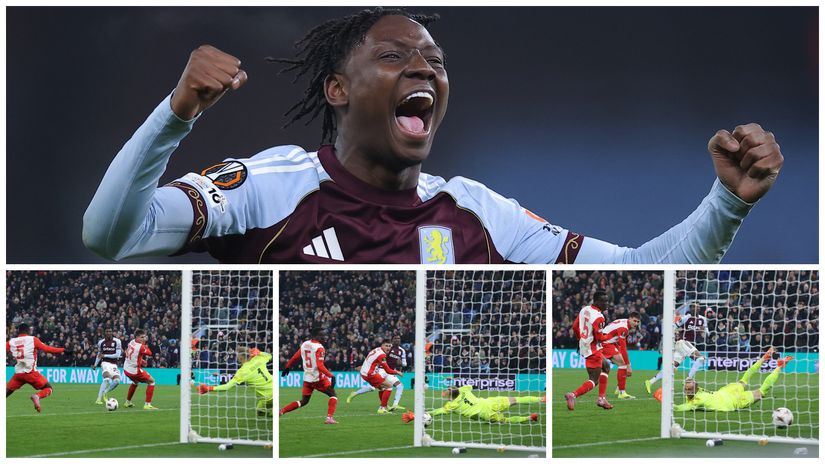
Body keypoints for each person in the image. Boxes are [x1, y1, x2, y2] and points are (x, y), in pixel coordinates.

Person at [83, 8, 783, 264]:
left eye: (434, 62)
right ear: (337, 89)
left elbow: (635, 275)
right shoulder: (269, 188)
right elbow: (109, 236)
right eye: (393, 57)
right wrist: (176, 113)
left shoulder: (480, 213)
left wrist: (727, 203)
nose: (423, 67)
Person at [675, 348, 793, 412]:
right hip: (728, 392)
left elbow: (680, 408)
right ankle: (767, 359)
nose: (687, 386)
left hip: (732, 400)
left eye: (687, 385)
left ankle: (777, 365)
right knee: (745, 380)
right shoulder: (696, 394)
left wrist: (669, 404)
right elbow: (683, 404)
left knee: (761, 391)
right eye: (687, 385)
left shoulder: (695, 402)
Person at [565, 292, 613, 410]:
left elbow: (575, 327)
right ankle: (573, 395)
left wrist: (580, 339)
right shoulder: (599, 317)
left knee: (606, 367)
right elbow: (600, 338)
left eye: (607, 301)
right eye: (604, 301)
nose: (607, 303)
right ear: (596, 301)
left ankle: (601, 399)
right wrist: (610, 336)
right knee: (593, 380)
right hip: (593, 350)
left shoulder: (585, 309)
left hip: (585, 346)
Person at [280, 328, 338, 424]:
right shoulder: (319, 347)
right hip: (318, 379)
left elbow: (295, 357)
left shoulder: (305, 344)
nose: (324, 337)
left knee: (304, 401)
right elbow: (320, 365)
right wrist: (331, 375)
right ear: (316, 336)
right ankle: (329, 418)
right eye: (322, 335)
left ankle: (282, 411)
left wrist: (287, 367)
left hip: (307, 379)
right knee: (333, 395)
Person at [646, 305, 708, 394]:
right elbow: (674, 326)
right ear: (690, 309)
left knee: (672, 368)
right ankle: (688, 379)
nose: (696, 308)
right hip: (683, 343)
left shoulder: (702, 320)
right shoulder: (686, 318)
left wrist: (703, 332)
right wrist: (676, 332)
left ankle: (650, 382)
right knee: (701, 358)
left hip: (686, 346)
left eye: (698, 307)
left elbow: (705, 333)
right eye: (694, 307)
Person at [6, 323, 67, 413]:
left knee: (6, 392)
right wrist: (63, 350)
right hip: (31, 373)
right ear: (27, 330)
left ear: (19, 331)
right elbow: (47, 349)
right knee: (48, 388)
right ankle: (37, 396)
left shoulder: (12, 342)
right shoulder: (32, 339)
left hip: (18, 374)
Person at [198, 346, 273, 417]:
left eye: (237, 355)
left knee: (266, 411)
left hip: (267, 397)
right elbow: (269, 356)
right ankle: (273, 411)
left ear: (240, 357)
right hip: (274, 389)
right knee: (260, 412)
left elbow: (226, 387)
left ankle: (274, 412)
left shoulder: (243, 371)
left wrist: (209, 388)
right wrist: (260, 353)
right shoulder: (258, 359)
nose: (236, 357)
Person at [424, 385, 543, 424]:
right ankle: (541, 399)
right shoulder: (464, 390)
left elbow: (438, 411)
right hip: (489, 403)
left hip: (485, 415)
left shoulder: (451, 406)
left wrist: (424, 414)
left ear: (450, 396)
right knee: (515, 400)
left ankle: (529, 418)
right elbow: (470, 386)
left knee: (505, 420)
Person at [346, 334, 407, 404]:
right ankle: (356, 393)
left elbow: (404, 364)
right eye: (395, 338)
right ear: (392, 340)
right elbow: (377, 359)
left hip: (390, 371)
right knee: (374, 388)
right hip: (381, 370)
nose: (397, 340)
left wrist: (400, 363)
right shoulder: (386, 350)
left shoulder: (401, 351)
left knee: (399, 386)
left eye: (398, 338)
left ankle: (394, 405)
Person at [600, 312, 641, 399]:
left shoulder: (625, 323)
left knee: (623, 364)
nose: (636, 323)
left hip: (609, 341)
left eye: (638, 322)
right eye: (634, 321)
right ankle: (621, 392)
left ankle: (619, 389)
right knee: (623, 364)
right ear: (630, 318)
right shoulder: (624, 328)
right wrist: (628, 365)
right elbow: (623, 348)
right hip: (605, 343)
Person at [123, 329, 158, 410]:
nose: (143, 339)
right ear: (137, 337)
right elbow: (150, 353)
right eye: (142, 337)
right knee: (152, 381)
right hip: (134, 370)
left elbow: (130, 353)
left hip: (126, 369)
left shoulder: (131, 342)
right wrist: (144, 344)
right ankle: (147, 404)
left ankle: (127, 402)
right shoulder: (141, 347)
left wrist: (141, 360)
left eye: (144, 337)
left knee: (135, 382)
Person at [92, 327, 123, 404]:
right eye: (107, 331)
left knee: (117, 381)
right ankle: (98, 399)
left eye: (110, 331)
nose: (108, 333)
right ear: (104, 332)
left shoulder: (117, 341)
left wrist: (105, 355)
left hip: (114, 364)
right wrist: (95, 364)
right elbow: (99, 355)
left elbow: (117, 355)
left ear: (112, 332)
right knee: (106, 379)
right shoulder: (101, 342)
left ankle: (105, 392)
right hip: (105, 363)